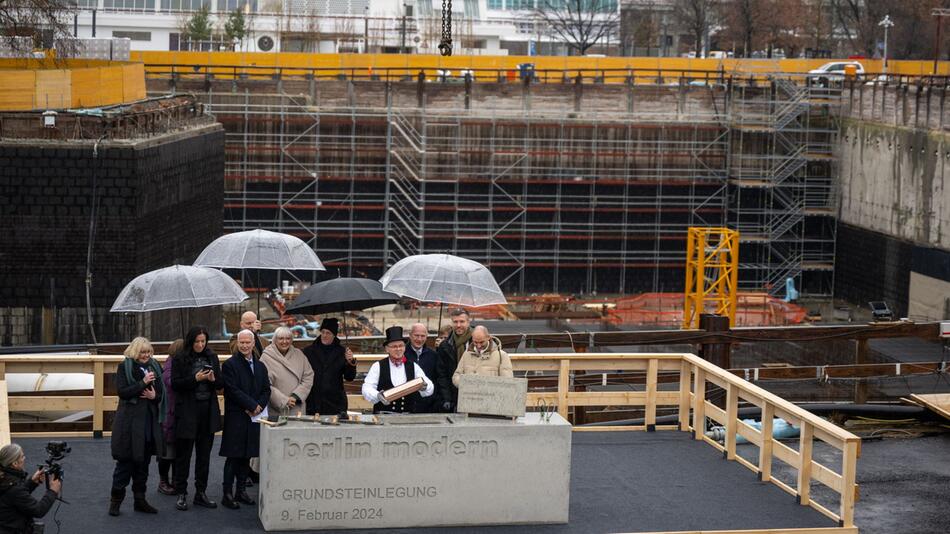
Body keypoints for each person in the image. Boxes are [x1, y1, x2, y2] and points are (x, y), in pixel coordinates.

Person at [109, 336, 166, 516]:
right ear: (135, 352)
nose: (146, 355)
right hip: (129, 424)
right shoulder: (124, 367)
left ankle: (140, 501)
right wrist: (142, 382)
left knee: (143, 465)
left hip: (148, 423)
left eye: (148, 352)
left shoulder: (155, 366)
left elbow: (161, 394)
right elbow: (123, 392)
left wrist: (153, 396)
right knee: (125, 465)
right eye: (142, 352)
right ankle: (115, 503)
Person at [171, 326, 222, 511]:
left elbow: (220, 384)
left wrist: (212, 379)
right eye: (197, 341)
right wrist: (196, 378)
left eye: (203, 341)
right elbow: (175, 384)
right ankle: (181, 493)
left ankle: (201, 492)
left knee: (204, 456)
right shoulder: (180, 358)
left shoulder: (212, 357)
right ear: (191, 341)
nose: (200, 344)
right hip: (187, 412)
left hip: (207, 411)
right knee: (184, 456)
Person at [219, 329, 270, 510]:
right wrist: (251, 405)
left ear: (253, 343)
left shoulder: (261, 366)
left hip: (254, 417)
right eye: (242, 342)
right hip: (237, 417)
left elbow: (266, 389)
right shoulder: (230, 365)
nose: (245, 345)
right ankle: (227, 494)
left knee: (246, 456)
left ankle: (241, 491)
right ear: (237, 343)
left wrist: (259, 406)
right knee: (233, 457)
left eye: (248, 342)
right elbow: (232, 390)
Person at [362, 326, 434, 414]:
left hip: (407, 417)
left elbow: (429, 386)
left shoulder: (413, 366)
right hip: (383, 415)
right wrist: (377, 395)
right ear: (387, 349)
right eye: (394, 347)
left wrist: (425, 387)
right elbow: (367, 387)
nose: (398, 349)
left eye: (401, 346)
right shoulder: (378, 366)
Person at [0, 444, 60, 534]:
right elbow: (38, 510)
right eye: (22, 456)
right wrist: (53, 491)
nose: (24, 458)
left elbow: (14, 497)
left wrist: (32, 482)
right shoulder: (14, 488)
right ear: (15, 463)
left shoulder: (5, 477)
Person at [303, 318, 357, 417]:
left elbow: (350, 377)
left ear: (334, 335)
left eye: (328, 333)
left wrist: (350, 362)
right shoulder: (308, 351)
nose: (324, 335)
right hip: (313, 402)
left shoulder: (343, 352)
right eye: (323, 332)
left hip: (336, 403)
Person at [260, 326, 314, 417]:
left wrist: (296, 396)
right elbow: (264, 383)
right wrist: (284, 400)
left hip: (297, 406)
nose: (284, 342)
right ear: (275, 340)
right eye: (281, 338)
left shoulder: (299, 354)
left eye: (288, 338)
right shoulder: (266, 357)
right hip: (276, 407)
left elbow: (308, 376)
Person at [156, 338, 183, 496]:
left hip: (175, 413)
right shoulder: (171, 365)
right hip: (170, 414)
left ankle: (174, 480)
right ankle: (163, 481)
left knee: (176, 452)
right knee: (167, 453)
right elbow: (170, 382)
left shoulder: (173, 363)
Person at [435, 309, 473, 412]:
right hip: (452, 394)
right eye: (455, 322)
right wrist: (447, 398)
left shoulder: (477, 342)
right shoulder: (445, 346)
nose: (458, 325)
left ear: (468, 322)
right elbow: (442, 375)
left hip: (473, 392)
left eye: (462, 321)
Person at [406, 323, 439, 413]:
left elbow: (437, 379)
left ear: (426, 337)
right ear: (410, 335)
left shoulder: (434, 355)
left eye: (422, 336)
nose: (419, 339)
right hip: (407, 404)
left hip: (428, 404)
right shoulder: (402, 354)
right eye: (416, 335)